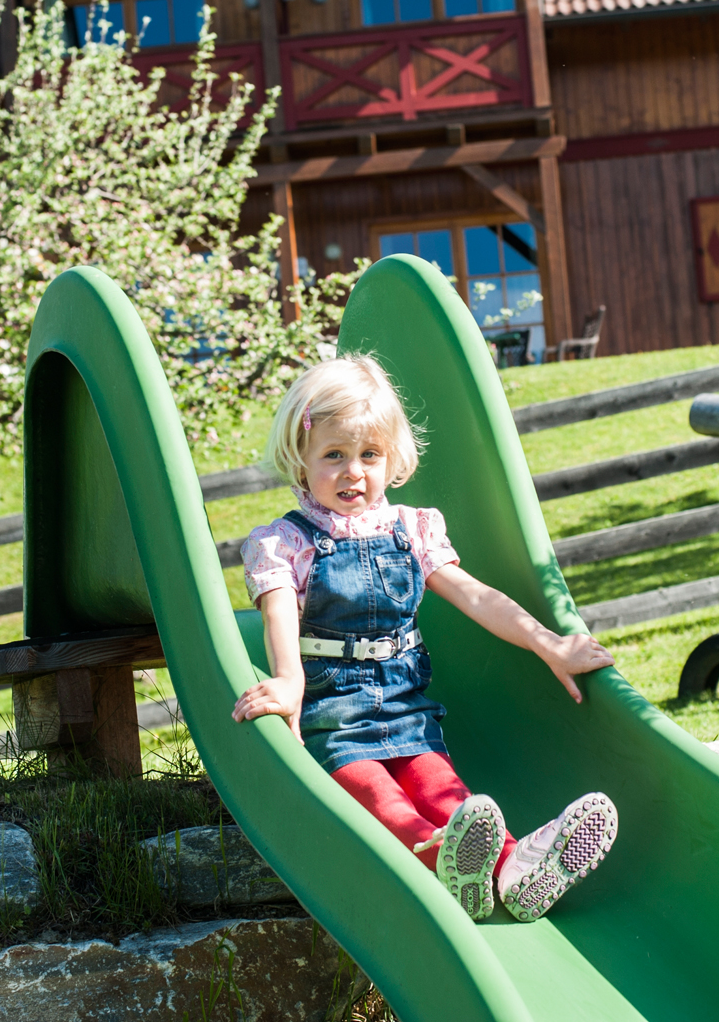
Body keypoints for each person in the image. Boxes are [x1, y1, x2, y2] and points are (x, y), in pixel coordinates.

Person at [231, 355, 619, 923]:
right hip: (333, 713)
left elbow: (476, 596)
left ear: (392, 459)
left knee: (448, 793)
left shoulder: (412, 529)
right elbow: (279, 616)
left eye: (369, 455)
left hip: (405, 705)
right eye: (334, 455)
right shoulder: (286, 542)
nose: (353, 472)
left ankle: (514, 868)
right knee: (382, 798)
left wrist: (548, 643)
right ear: (300, 458)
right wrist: (289, 682)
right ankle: (447, 863)